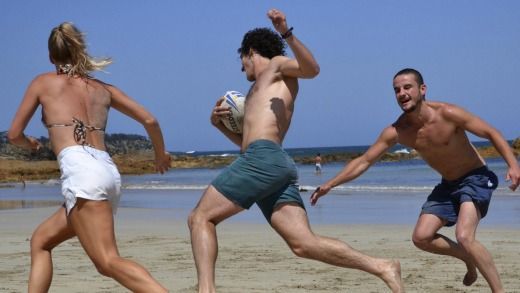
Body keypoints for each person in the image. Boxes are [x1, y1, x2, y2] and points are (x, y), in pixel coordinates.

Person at [188, 9, 403, 293]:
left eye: (242, 63)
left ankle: (206, 290)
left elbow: (312, 69)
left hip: (264, 159)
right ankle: (383, 266)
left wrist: (285, 32)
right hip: (272, 162)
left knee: (200, 218)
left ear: (251, 52)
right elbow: (245, 145)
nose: (243, 71)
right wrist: (218, 124)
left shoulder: (277, 66)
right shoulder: (255, 92)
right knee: (304, 244)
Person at [311, 68, 520, 293]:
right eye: (396, 90)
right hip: (448, 184)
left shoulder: (449, 113)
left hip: (476, 177)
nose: (401, 93)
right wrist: (330, 184)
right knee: (421, 237)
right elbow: (364, 161)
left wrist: (513, 164)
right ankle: (469, 260)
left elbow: (491, 133)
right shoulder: (398, 131)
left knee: (464, 236)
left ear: (422, 89)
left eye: (407, 87)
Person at [8, 22, 171, 292]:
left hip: (82, 173)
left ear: (51, 57)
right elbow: (150, 120)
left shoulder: (42, 83)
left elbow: (14, 134)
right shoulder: (102, 89)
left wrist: (30, 143)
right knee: (41, 241)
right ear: (79, 49)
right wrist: (160, 154)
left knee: (107, 262)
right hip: (106, 171)